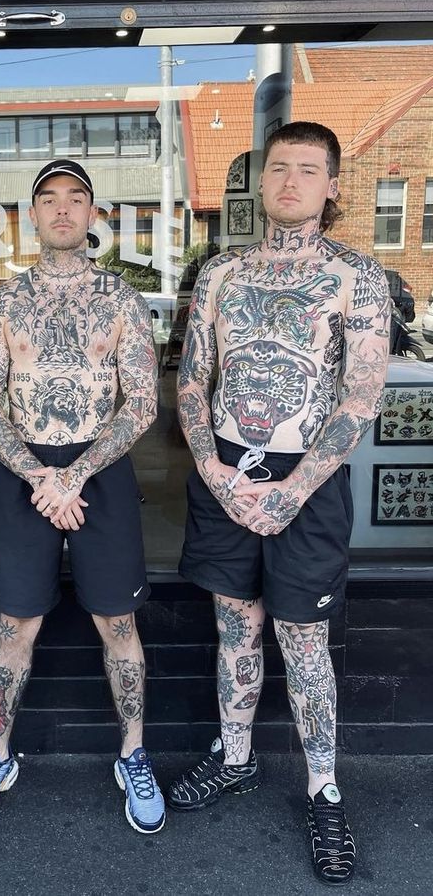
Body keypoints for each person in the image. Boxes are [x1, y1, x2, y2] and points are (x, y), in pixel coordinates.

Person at [169, 122, 389, 886]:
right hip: (225, 472)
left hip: (309, 480)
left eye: (308, 170)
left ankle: (324, 789)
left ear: (332, 187)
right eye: (278, 168)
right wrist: (212, 467)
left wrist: (293, 489)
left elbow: (360, 397)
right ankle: (234, 756)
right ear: (261, 183)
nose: (290, 181)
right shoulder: (222, 274)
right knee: (236, 626)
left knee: (304, 641)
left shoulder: (356, 277)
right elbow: (193, 381)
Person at [0, 159, 164, 834]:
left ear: (93, 213)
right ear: (34, 216)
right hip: (26, 476)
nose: (64, 209)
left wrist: (78, 471)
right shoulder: (5, 304)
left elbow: (142, 403)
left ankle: (133, 752)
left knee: (119, 624)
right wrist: (41, 474)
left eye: (77, 197)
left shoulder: (122, 300)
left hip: (100, 470)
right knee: (14, 626)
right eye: (50, 198)